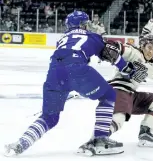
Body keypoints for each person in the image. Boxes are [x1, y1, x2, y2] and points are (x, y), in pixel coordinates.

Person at [4, 11, 136, 157]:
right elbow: (110, 54)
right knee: (109, 95)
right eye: (86, 23)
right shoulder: (91, 36)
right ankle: (100, 139)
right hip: (77, 70)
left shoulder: (62, 39)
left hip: (54, 73)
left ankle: (21, 143)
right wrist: (127, 69)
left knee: (49, 117)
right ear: (82, 24)